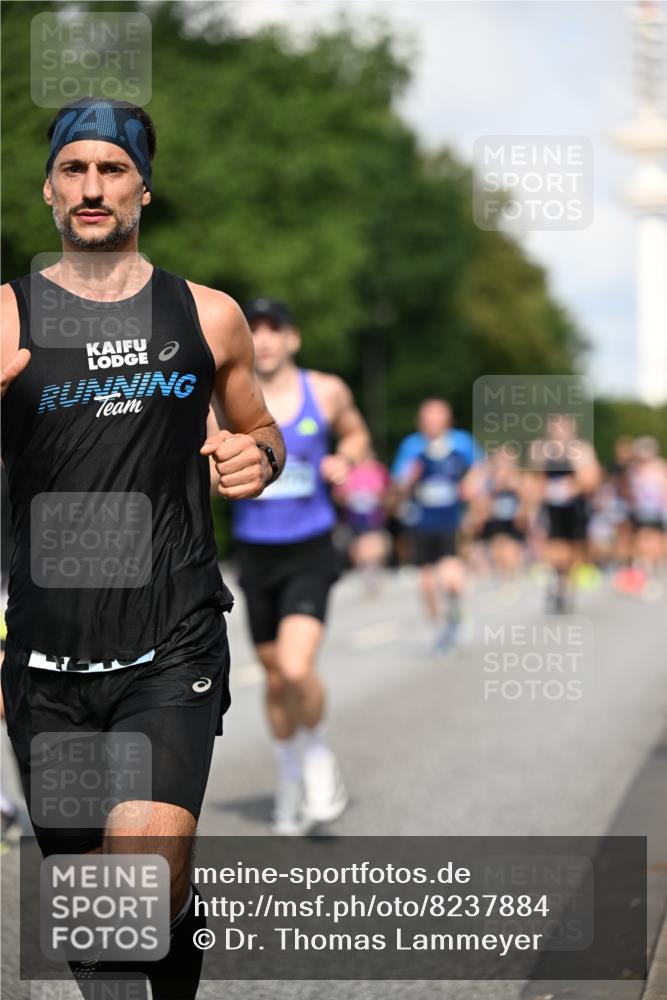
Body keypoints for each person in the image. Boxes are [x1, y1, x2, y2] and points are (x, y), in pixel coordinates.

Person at [0, 98, 285, 999]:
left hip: (172, 640)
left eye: (112, 169)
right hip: (45, 659)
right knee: (104, 929)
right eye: (75, 169)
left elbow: (262, 429)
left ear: (144, 188)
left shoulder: (208, 317)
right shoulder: (5, 319)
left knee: (133, 892)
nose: (92, 187)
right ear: (48, 189)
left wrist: (258, 458)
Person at [226, 296, 370, 835]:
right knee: (273, 676)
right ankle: (288, 773)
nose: (263, 339)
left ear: (293, 338)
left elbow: (357, 433)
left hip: (310, 548)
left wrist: (346, 457)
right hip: (255, 552)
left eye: (274, 329)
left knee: (295, 666)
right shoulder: (230, 394)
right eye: (254, 330)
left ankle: (316, 756)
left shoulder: (326, 390)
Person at [394, 398, 477, 653]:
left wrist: (472, 490)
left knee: (451, 578)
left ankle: (454, 611)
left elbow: (480, 471)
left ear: (447, 419)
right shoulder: (412, 446)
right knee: (427, 584)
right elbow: (398, 481)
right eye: (428, 418)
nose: (432, 422)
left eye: (437, 417)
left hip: (450, 521)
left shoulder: (461, 443)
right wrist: (410, 477)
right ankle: (439, 629)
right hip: (422, 521)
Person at [529, 414, 601, 613]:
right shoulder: (541, 449)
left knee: (572, 549)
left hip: (574, 507)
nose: (559, 431)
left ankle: (565, 585)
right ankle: (555, 578)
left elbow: (592, 478)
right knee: (553, 545)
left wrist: (574, 486)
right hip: (551, 507)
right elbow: (536, 478)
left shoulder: (582, 450)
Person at [333, 453, 391, 596]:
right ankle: (366, 571)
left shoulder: (378, 470)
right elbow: (338, 494)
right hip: (353, 518)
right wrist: (348, 496)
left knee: (373, 546)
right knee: (359, 548)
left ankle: (373, 570)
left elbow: (387, 492)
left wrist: (377, 496)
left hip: (373, 517)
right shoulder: (347, 471)